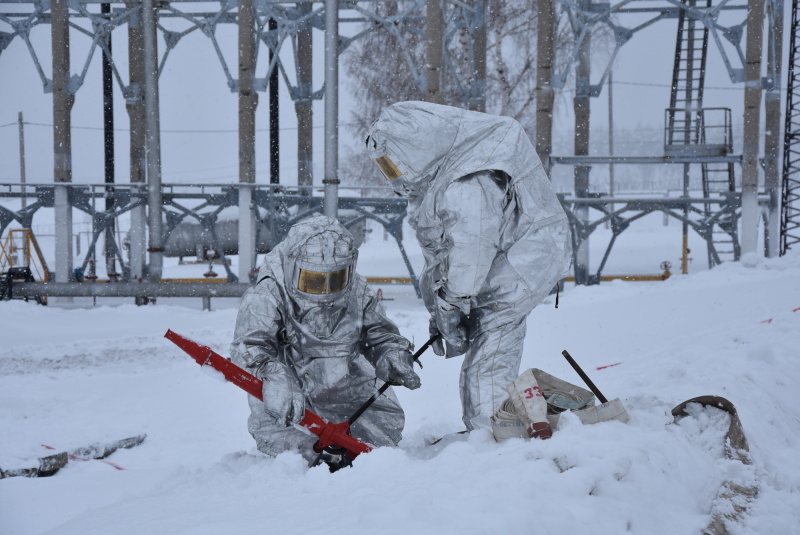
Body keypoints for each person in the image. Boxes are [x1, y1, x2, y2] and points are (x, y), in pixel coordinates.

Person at [365, 101, 572, 435]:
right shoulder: (449, 176)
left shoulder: (466, 183)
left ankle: (492, 436)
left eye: (392, 164)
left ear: (419, 148)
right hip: (508, 266)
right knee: (489, 348)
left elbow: (469, 252)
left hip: (517, 269)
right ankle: (497, 429)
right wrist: (445, 309)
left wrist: (452, 302)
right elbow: (449, 256)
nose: (393, 174)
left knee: (489, 356)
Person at [230, 215, 420, 470]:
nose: (326, 292)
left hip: (350, 391)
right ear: (293, 267)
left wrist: (391, 354)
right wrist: (274, 376)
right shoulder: (267, 294)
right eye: (314, 280)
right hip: (295, 398)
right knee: (295, 458)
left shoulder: (357, 290)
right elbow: (248, 347)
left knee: (378, 450)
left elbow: (380, 335)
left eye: (337, 278)